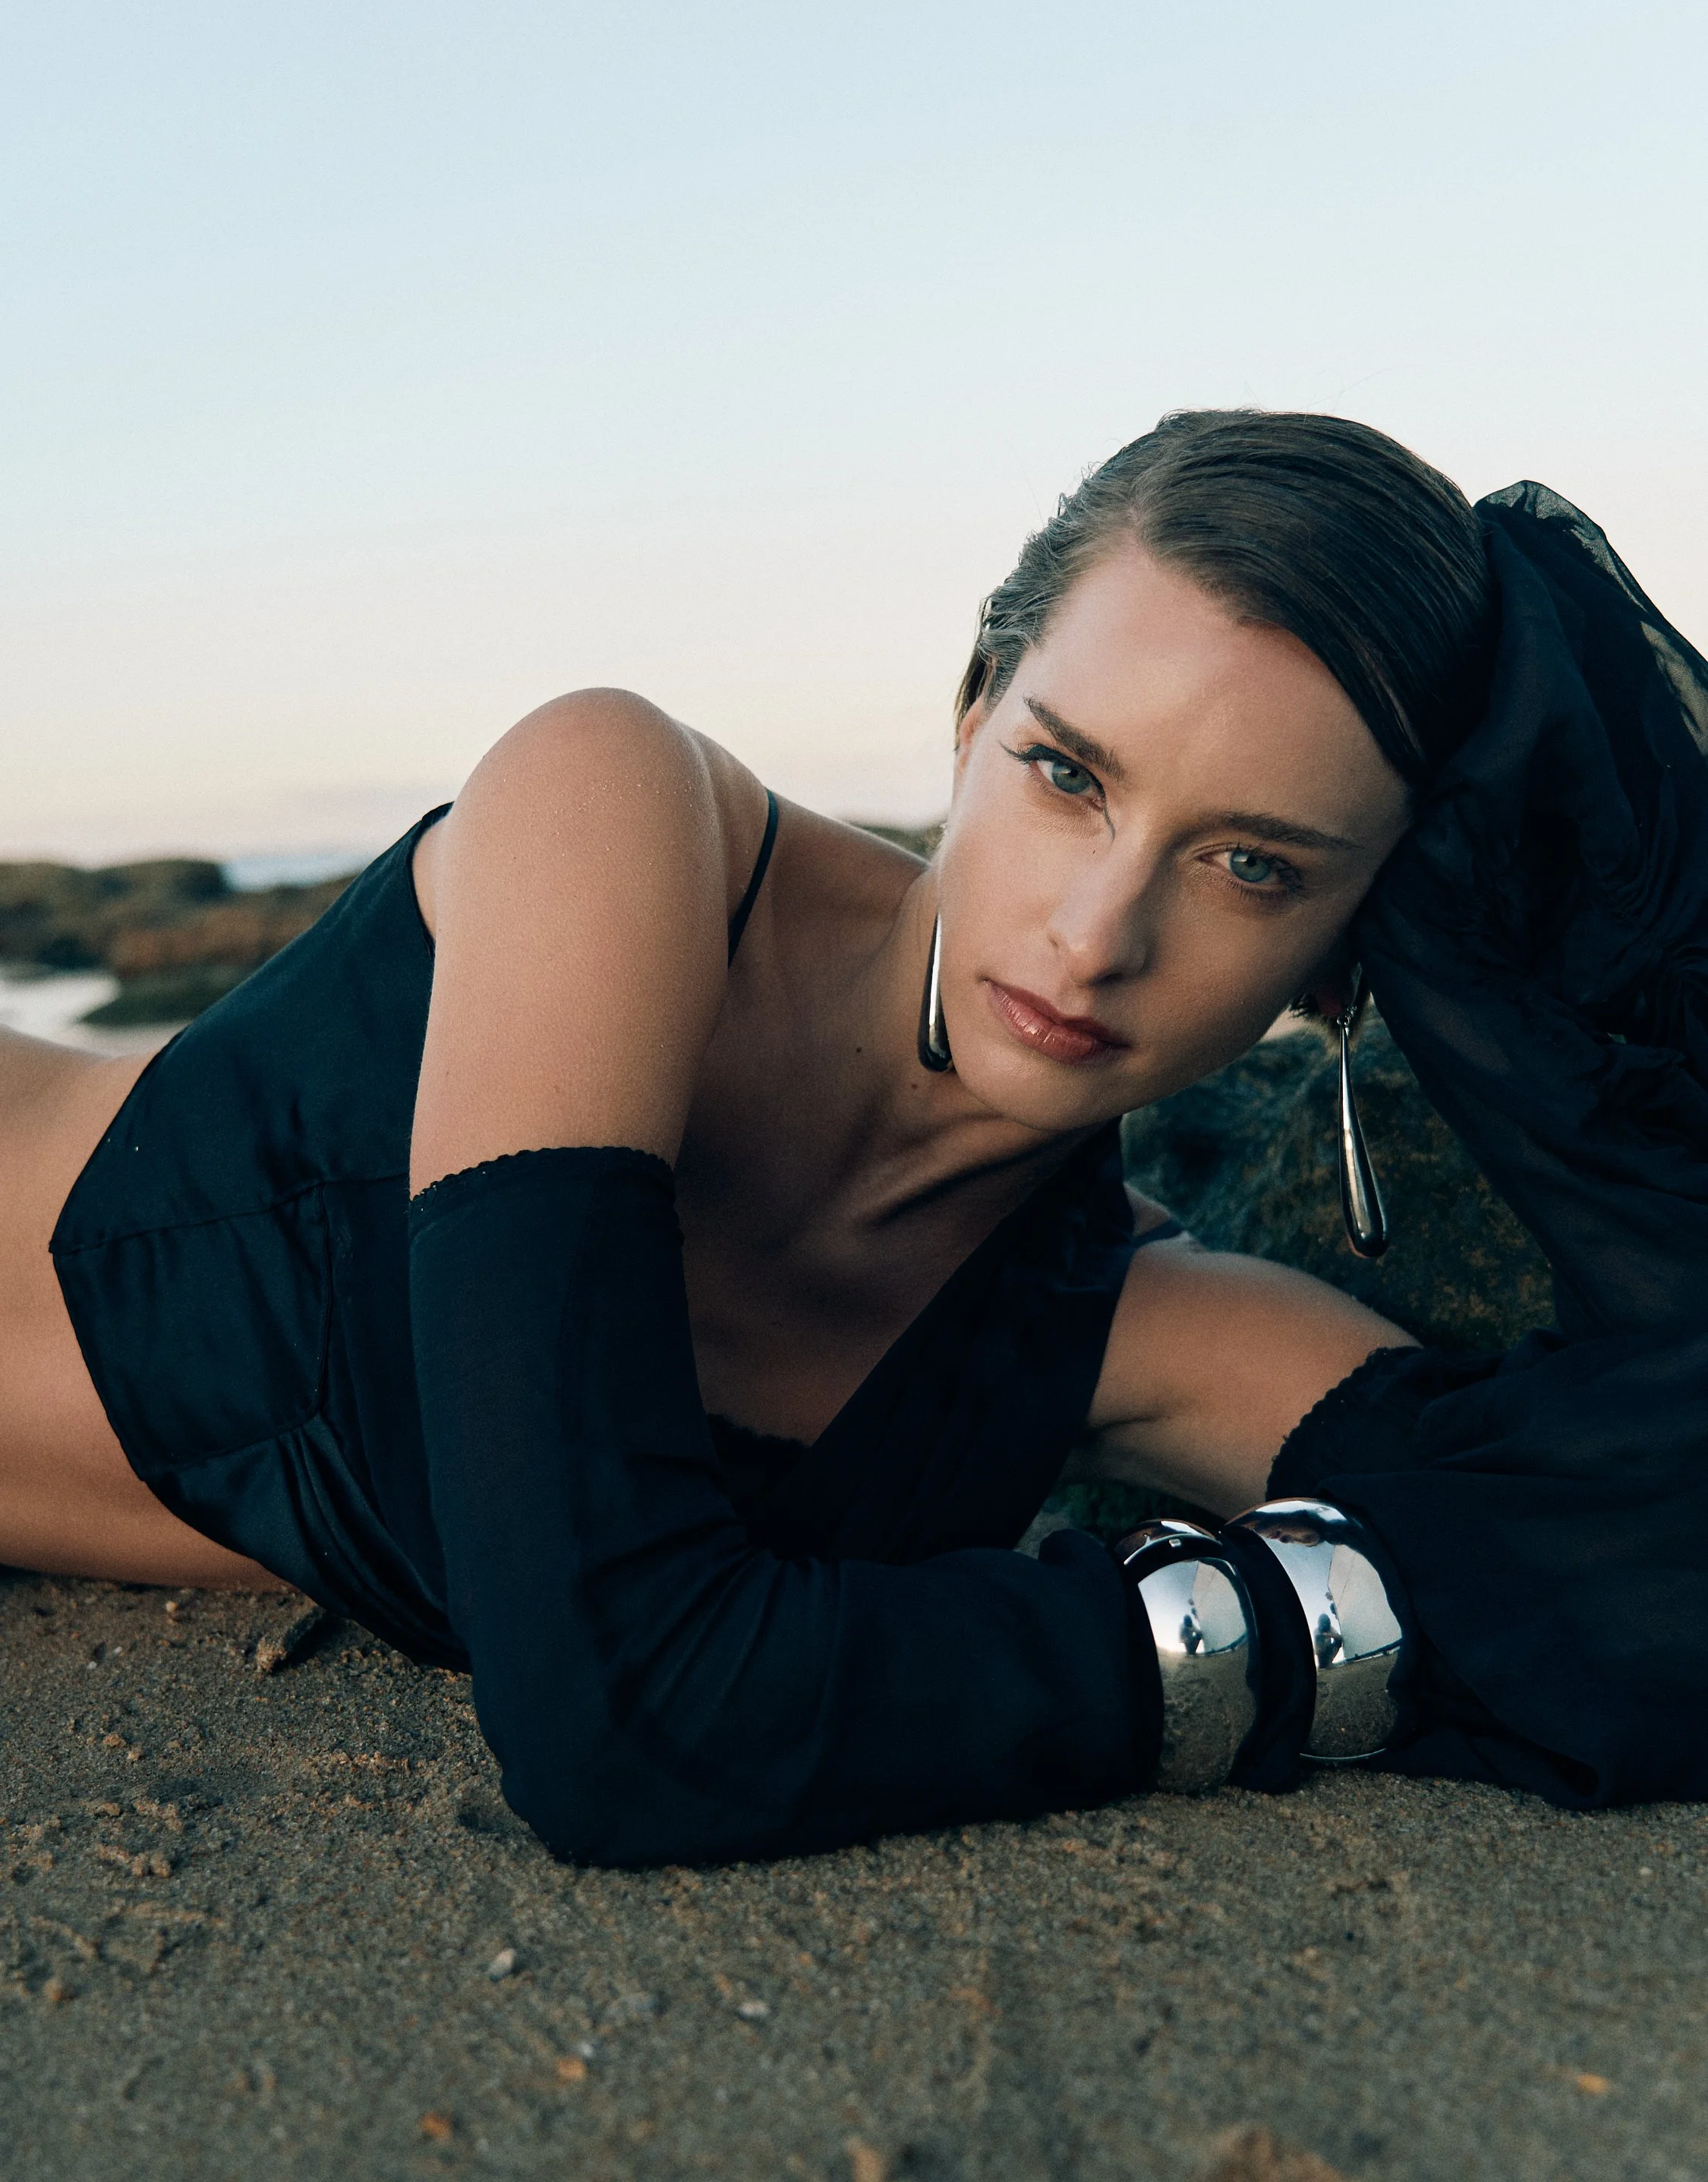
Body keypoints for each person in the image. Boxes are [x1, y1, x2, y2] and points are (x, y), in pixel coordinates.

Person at [3, 411, 1703, 1865]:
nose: (1099, 933)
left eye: (1251, 865)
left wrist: (1549, 1035)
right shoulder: (624, 817)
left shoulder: (1145, 1335)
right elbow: (622, 1719)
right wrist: (1263, 1633)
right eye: (1066, 777)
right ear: (973, 711)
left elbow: (1648, 1506)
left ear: (1349, 952)